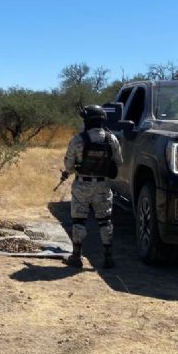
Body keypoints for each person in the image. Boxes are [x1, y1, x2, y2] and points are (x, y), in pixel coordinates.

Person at [60, 105, 123, 269]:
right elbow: (119, 161)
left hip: (82, 185)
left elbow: (69, 167)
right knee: (105, 221)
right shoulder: (112, 139)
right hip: (103, 185)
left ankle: (76, 256)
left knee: (78, 220)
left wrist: (71, 170)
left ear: (87, 120)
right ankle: (108, 258)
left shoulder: (78, 140)